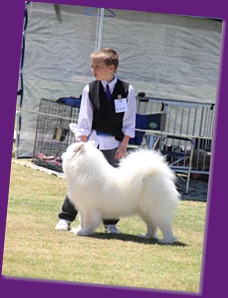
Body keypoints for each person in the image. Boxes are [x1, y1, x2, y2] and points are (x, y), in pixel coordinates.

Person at [55, 48, 136, 234]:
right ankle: (66, 218)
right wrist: (82, 145)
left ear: (111, 67)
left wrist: (124, 144)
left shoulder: (127, 90)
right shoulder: (89, 89)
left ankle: (111, 223)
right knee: (80, 183)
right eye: (92, 66)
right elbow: (84, 119)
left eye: (97, 66)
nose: (93, 70)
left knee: (112, 185)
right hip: (91, 144)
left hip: (114, 145)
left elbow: (129, 120)